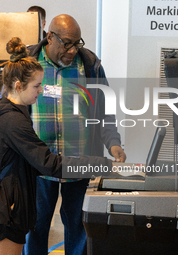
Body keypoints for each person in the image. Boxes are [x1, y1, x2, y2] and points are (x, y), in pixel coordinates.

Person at [0, 37, 113, 255]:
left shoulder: (5, 112)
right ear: (18, 86)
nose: (41, 91)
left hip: (9, 203)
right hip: (7, 208)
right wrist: (99, 164)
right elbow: (48, 163)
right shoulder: (14, 122)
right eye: (37, 86)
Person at [22, 14, 127, 255]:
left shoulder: (90, 66)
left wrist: (113, 143)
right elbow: (10, 109)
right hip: (38, 165)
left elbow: (104, 111)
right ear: (49, 37)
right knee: (34, 227)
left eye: (77, 43)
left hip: (79, 164)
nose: (72, 50)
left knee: (78, 228)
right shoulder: (28, 64)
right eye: (67, 43)